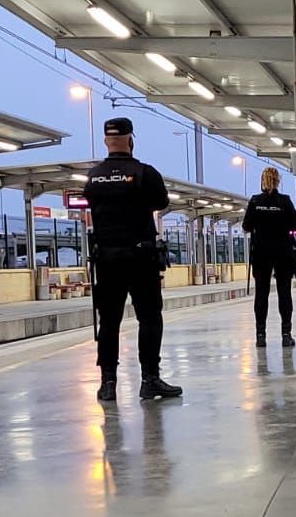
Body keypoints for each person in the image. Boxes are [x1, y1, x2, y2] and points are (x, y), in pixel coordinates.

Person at [83, 117, 182, 401]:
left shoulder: (94, 176)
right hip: (141, 258)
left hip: (107, 260)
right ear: (130, 139)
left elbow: (92, 202)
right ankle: (150, 378)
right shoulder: (145, 173)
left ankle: (108, 383)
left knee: (109, 321)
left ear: (106, 140)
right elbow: (161, 203)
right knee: (149, 318)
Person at [242, 167, 296, 348]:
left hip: (261, 251)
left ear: (262, 180)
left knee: (261, 293)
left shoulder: (255, 201)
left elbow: (246, 226)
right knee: (285, 292)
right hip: (282, 251)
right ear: (278, 181)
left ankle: (261, 335)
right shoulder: (285, 201)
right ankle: (286, 334)